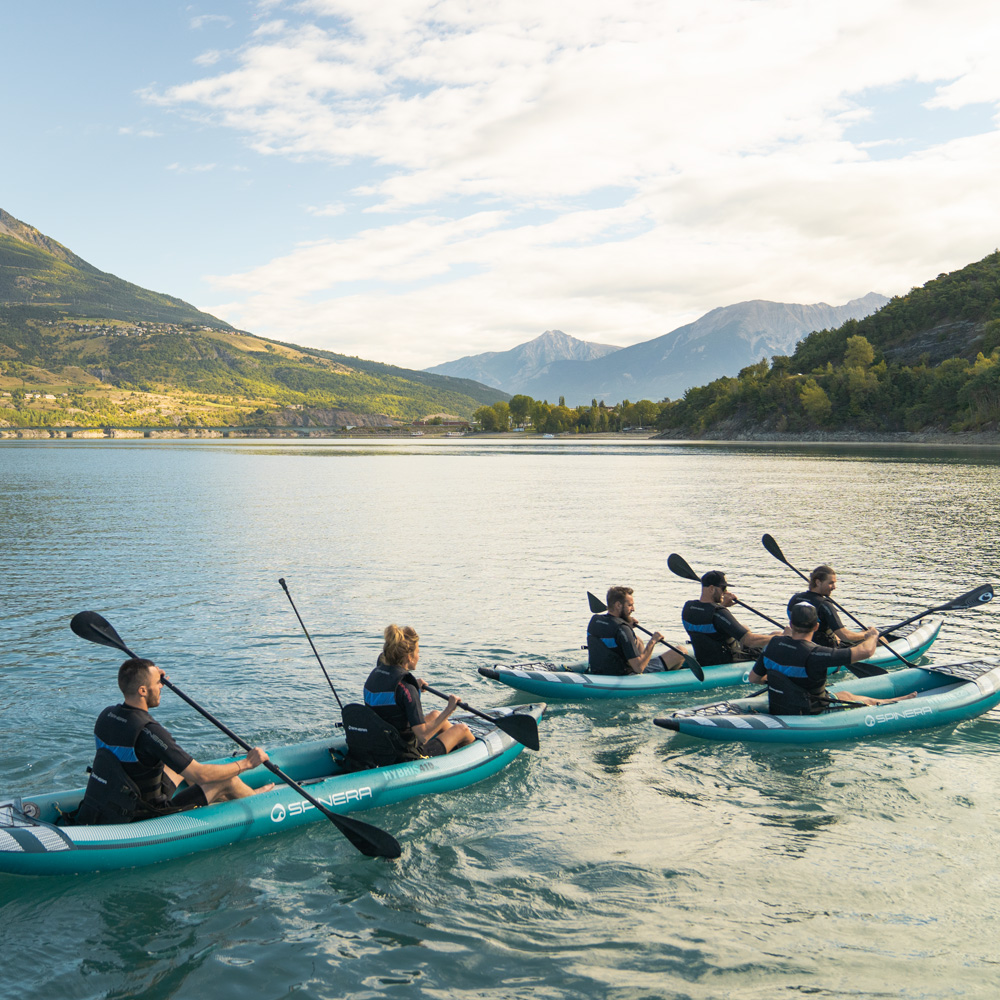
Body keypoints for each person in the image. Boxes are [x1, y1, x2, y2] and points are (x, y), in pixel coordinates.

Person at [76, 658, 272, 825]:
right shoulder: (150, 732)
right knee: (227, 779)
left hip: (116, 798)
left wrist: (152, 676)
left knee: (178, 765)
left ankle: (227, 796)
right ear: (143, 690)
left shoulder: (106, 715)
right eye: (158, 683)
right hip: (145, 814)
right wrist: (247, 763)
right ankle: (256, 801)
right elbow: (202, 775)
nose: (162, 686)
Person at [748, 602, 915, 714]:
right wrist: (872, 636)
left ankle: (888, 700)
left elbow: (754, 678)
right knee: (847, 697)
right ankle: (891, 702)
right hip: (809, 709)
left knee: (844, 694)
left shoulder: (772, 644)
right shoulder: (817, 653)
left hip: (780, 704)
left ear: (791, 625)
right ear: (816, 626)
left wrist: (780, 681)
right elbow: (865, 652)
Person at [363, 624, 475, 757]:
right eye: (418, 652)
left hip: (387, 742)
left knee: (435, 715)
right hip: (406, 754)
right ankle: (475, 757)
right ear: (409, 657)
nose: (418, 657)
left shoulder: (374, 676)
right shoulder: (407, 689)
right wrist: (449, 709)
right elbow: (423, 736)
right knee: (462, 729)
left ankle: (453, 747)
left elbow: (393, 705)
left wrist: (415, 687)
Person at [682, 571, 779, 667]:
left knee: (746, 629)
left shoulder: (688, 608)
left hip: (704, 657)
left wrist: (722, 605)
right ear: (711, 588)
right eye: (723, 588)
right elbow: (748, 641)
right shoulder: (719, 613)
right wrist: (782, 639)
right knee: (776, 636)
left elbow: (708, 619)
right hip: (728, 659)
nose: (725, 592)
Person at [587, 585, 688, 674]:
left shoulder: (595, 621)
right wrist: (653, 641)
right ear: (618, 605)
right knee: (681, 651)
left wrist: (626, 624)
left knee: (638, 640)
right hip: (626, 674)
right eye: (629, 605)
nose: (633, 609)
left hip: (600, 670)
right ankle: (668, 677)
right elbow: (639, 668)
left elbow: (613, 630)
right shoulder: (623, 629)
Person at [787, 565, 871, 648]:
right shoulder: (824, 605)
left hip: (802, 644)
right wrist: (866, 634)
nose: (834, 587)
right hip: (827, 649)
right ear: (818, 582)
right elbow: (845, 636)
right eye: (831, 583)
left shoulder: (795, 599)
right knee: (875, 639)